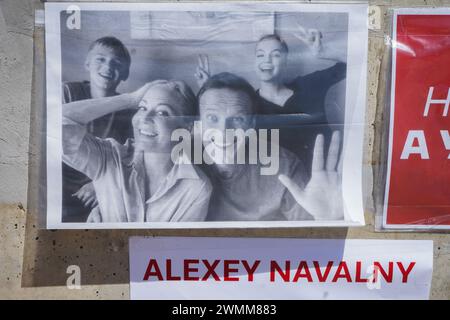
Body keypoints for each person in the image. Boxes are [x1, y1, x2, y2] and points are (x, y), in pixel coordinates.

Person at [195, 27, 347, 172]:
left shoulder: (309, 85)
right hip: (282, 186)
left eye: (275, 55)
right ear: (255, 62)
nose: (267, 60)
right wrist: (209, 90)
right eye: (260, 55)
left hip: (328, 177)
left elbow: (358, 62)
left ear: (286, 60)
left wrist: (323, 52)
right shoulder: (247, 106)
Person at [197, 72, 344, 221]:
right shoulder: (182, 162)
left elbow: (312, 236)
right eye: (212, 118)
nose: (223, 131)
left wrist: (325, 218)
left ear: (251, 124)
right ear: (197, 123)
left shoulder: (285, 167)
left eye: (237, 119)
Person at [62, 80, 212, 223]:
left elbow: (171, 246)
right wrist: (129, 99)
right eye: (142, 108)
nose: (145, 118)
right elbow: (51, 126)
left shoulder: (196, 188)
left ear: (187, 128)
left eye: (162, 113)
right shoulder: (110, 157)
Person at [62, 36, 135, 222]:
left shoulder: (129, 111)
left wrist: (98, 185)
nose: (108, 67)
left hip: (102, 193)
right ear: (87, 63)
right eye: (100, 59)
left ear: (125, 73)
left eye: (117, 62)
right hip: (61, 187)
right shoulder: (68, 92)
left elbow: (130, 160)